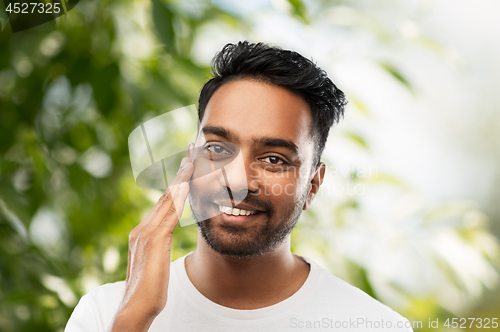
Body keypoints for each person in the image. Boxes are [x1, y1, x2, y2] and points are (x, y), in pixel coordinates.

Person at [65, 41, 413, 332]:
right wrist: (135, 318)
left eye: (274, 159)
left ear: (313, 185)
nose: (237, 181)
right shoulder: (104, 313)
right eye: (217, 149)